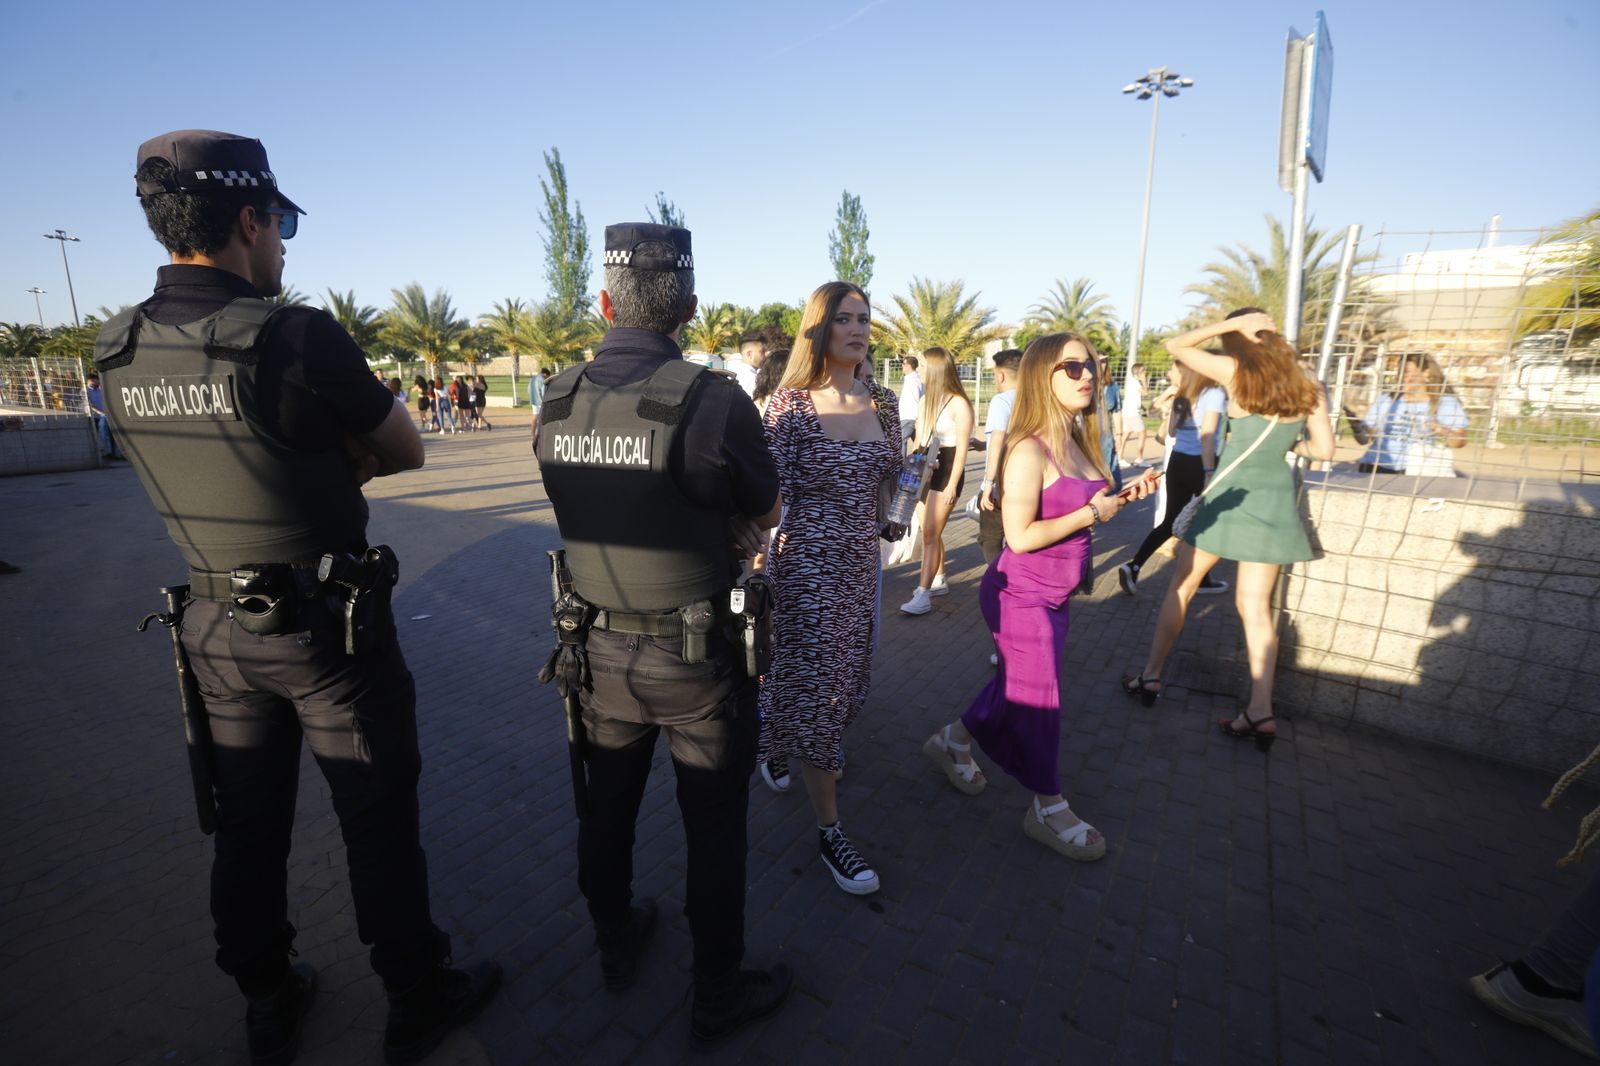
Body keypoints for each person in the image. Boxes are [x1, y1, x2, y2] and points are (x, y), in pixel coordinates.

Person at [95, 129, 499, 1066]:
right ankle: (415, 994)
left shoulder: (118, 346)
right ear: (249, 220)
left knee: (246, 826)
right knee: (376, 818)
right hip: (325, 634)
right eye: (280, 224)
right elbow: (406, 447)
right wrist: (329, 461)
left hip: (210, 627)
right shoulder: (292, 335)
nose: (282, 244)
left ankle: (267, 993)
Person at [534, 222, 792, 1049]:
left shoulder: (556, 397)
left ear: (605, 304)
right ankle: (716, 992)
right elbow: (767, 510)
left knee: (605, 808)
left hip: (595, 651)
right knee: (713, 828)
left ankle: (615, 940)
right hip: (695, 659)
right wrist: (720, 525)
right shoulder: (712, 398)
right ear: (688, 308)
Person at [922, 334, 1157, 861]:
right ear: (1041, 375)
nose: (1087, 375)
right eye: (1071, 367)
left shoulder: (1080, 438)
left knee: (1015, 688)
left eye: (1090, 365)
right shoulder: (1029, 449)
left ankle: (952, 741)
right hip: (1019, 596)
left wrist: (1118, 499)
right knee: (1040, 700)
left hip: (1056, 594)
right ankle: (1048, 807)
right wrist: (1093, 512)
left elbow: (1080, 508)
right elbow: (1021, 536)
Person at [1120, 309, 1334, 747]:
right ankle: (1260, 711)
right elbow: (1325, 448)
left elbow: (1176, 346)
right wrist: (1291, 444)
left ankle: (1151, 676)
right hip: (1274, 501)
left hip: (1227, 497)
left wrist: (1230, 325)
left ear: (1240, 337)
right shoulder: (1307, 380)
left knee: (1183, 585)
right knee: (1255, 608)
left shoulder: (1236, 371)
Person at [755, 281, 901, 896]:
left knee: (843, 680)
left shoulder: (884, 402)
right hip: (805, 570)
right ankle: (829, 831)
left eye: (864, 318)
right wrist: (755, 568)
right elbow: (765, 503)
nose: (858, 329)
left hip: (860, 569)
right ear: (818, 328)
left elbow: (891, 479)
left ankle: (780, 734)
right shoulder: (789, 406)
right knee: (818, 689)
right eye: (844, 318)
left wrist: (898, 507)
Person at [1117, 361, 1230, 597]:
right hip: (1201, 463)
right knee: (1204, 521)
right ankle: (1200, 579)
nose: (1169, 373)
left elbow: (1171, 432)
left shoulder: (1182, 395)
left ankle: (1134, 566)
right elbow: (1207, 437)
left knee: (1170, 521)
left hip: (1178, 461)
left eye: (1173, 369)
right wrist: (1210, 472)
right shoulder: (1214, 394)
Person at [899, 347, 973, 616]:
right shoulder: (926, 400)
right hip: (926, 469)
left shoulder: (959, 403)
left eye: (923, 366)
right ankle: (938, 578)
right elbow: (919, 442)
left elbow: (962, 450)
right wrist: (911, 471)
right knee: (930, 530)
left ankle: (923, 593)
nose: (918, 370)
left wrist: (953, 484)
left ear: (936, 369)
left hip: (949, 469)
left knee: (930, 532)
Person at [1354, 352, 1468, 475]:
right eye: (1399, 372)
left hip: (1417, 468)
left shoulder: (1444, 402)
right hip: (1376, 466)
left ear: (1426, 373)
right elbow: (1364, 440)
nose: (1402, 377)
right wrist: (1357, 427)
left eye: (1406, 372)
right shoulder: (1387, 399)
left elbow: (1460, 442)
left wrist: (1443, 430)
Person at [975, 349, 1021, 564]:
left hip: (1001, 484)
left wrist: (988, 484)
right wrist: (983, 444)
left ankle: (999, 579)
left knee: (990, 540)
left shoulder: (1002, 401)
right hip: (1027, 481)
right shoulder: (1035, 399)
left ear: (1001, 375)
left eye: (994, 375)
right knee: (1018, 538)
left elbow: (998, 441)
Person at [84, 371, 125, 459]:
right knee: (101, 436)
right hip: (95, 417)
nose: (98, 382)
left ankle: (114, 453)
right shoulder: (85, 391)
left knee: (111, 435)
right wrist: (100, 412)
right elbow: (89, 404)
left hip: (105, 417)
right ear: (90, 381)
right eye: (96, 381)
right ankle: (105, 453)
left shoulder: (99, 390)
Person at [1119, 363, 1148, 467]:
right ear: (1138, 372)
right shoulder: (1136, 383)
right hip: (1133, 414)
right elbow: (1145, 393)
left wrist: (1143, 408)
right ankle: (1139, 459)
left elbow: (1133, 398)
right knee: (1142, 434)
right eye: (1143, 371)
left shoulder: (1131, 382)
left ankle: (1119, 458)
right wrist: (1144, 381)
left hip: (1127, 412)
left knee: (1125, 436)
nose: (1145, 372)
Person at [898, 353, 924, 448]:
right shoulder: (913, 379)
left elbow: (916, 399)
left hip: (909, 416)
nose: (902, 366)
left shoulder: (913, 380)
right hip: (909, 416)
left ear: (908, 366)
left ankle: (901, 459)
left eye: (904, 364)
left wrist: (917, 416)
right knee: (920, 443)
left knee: (900, 441)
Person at [732, 329, 765, 398]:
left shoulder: (733, 372)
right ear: (749, 354)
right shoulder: (753, 380)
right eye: (762, 352)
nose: (765, 356)